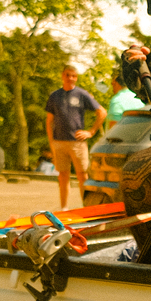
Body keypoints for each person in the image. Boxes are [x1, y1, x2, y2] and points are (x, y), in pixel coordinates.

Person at [43, 65, 102, 210]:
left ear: (76, 77)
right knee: (63, 176)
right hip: (59, 142)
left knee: (83, 176)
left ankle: (86, 207)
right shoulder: (55, 96)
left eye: (73, 76)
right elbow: (49, 121)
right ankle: (64, 208)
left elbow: (102, 112)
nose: (70, 78)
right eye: (68, 75)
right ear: (63, 76)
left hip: (77, 143)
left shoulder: (82, 94)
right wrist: (51, 142)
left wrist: (91, 132)